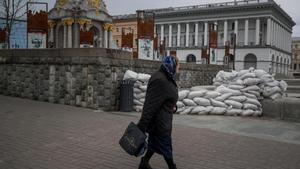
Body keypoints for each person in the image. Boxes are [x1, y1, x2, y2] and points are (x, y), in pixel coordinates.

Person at [137, 56, 179, 169]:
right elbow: (150, 105)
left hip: (161, 120)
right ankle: (172, 167)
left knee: (153, 144)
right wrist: (142, 125)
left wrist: (172, 105)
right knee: (166, 148)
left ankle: (144, 163)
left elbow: (163, 98)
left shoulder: (166, 76)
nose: (178, 69)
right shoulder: (160, 80)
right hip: (160, 124)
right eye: (178, 66)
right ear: (171, 65)